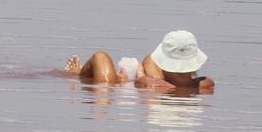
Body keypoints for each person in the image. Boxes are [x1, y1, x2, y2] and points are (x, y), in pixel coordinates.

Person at [64, 30, 213, 91]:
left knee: (101, 57)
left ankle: (76, 75)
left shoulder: (149, 82)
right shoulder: (205, 84)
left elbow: (146, 72)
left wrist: (132, 77)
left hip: (109, 89)